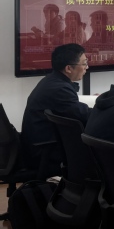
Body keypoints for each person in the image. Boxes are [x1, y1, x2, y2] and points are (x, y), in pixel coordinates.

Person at [21, 43, 91, 177]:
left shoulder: (52, 81)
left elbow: (73, 109)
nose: (86, 67)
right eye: (84, 63)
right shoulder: (59, 89)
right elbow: (84, 115)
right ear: (68, 68)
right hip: (45, 153)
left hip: (38, 147)